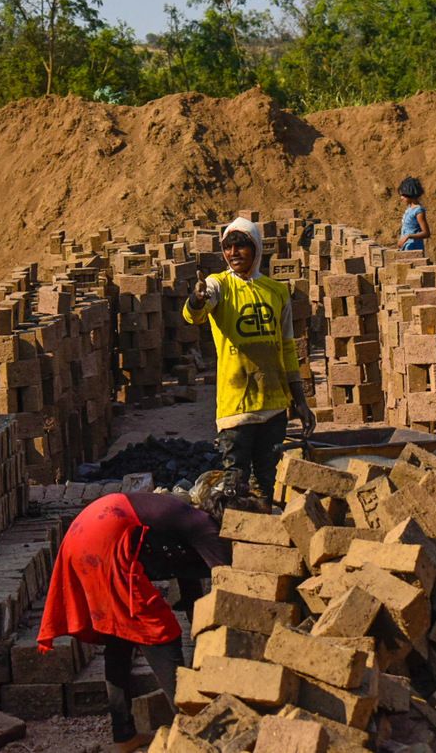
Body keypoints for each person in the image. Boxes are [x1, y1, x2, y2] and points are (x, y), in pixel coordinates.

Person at [37, 491, 236, 752]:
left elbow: (187, 575)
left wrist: (199, 621)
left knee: (120, 639)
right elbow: (232, 586)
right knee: (161, 633)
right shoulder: (207, 528)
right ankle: (195, 732)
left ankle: (124, 736)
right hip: (103, 540)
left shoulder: (188, 519)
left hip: (85, 532)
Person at [183, 217, 315, 504]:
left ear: (256, 249)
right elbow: (196, 313)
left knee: (264, 486)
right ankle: (235, 546)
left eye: (241, 246)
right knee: (235, 485)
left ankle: (261, 541)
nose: (234, 253)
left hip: (273, 406)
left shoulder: (276, 292)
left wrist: (300, 401)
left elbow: (288, 349)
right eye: (228, 247)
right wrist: (196, 300)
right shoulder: (219, 285)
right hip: (237, 407)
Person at [396, 176, 431, 252]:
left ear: (410, 194)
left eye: (403, 195)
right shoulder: (409, 209)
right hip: (406, 247)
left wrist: (408, 236)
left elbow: (426, 233)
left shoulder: (418, 211)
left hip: (414, 249)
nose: (401, 198)